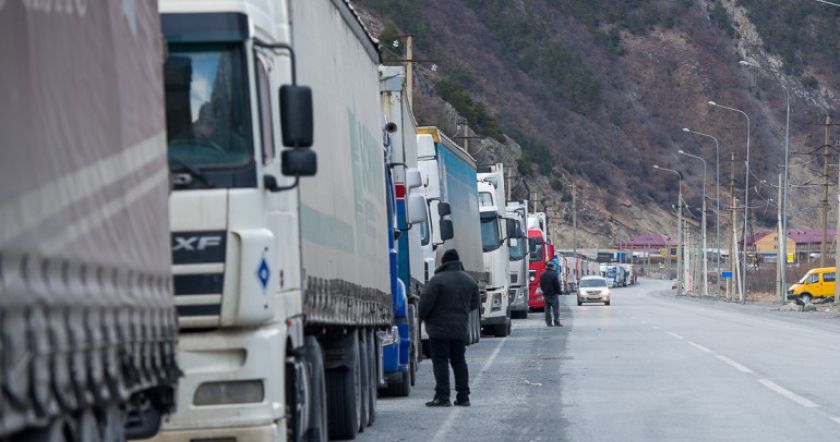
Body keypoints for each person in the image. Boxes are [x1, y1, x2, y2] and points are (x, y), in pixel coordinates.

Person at [419, 249, 480, 407]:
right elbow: (475, 304)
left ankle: (443, 396)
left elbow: (425, 305)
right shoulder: (470, 281)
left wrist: (424, 317)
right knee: (459, 361)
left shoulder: (437, 281)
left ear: (444, 262)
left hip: (438, 330)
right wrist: (461, 312)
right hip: (460, 329)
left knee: (440, 362)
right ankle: (463, 397)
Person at [540, 262, 562, 327]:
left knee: (547, 309)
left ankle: (548, 323)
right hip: (553, 294)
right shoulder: (554, 274)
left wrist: (544, 291)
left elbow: (541, 285)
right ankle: (556, 322)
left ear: (547, 267)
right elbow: (557, 285)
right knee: (555, 309)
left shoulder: (542, 274)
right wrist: (559, 292)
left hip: (546, 294)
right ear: (552, 267)